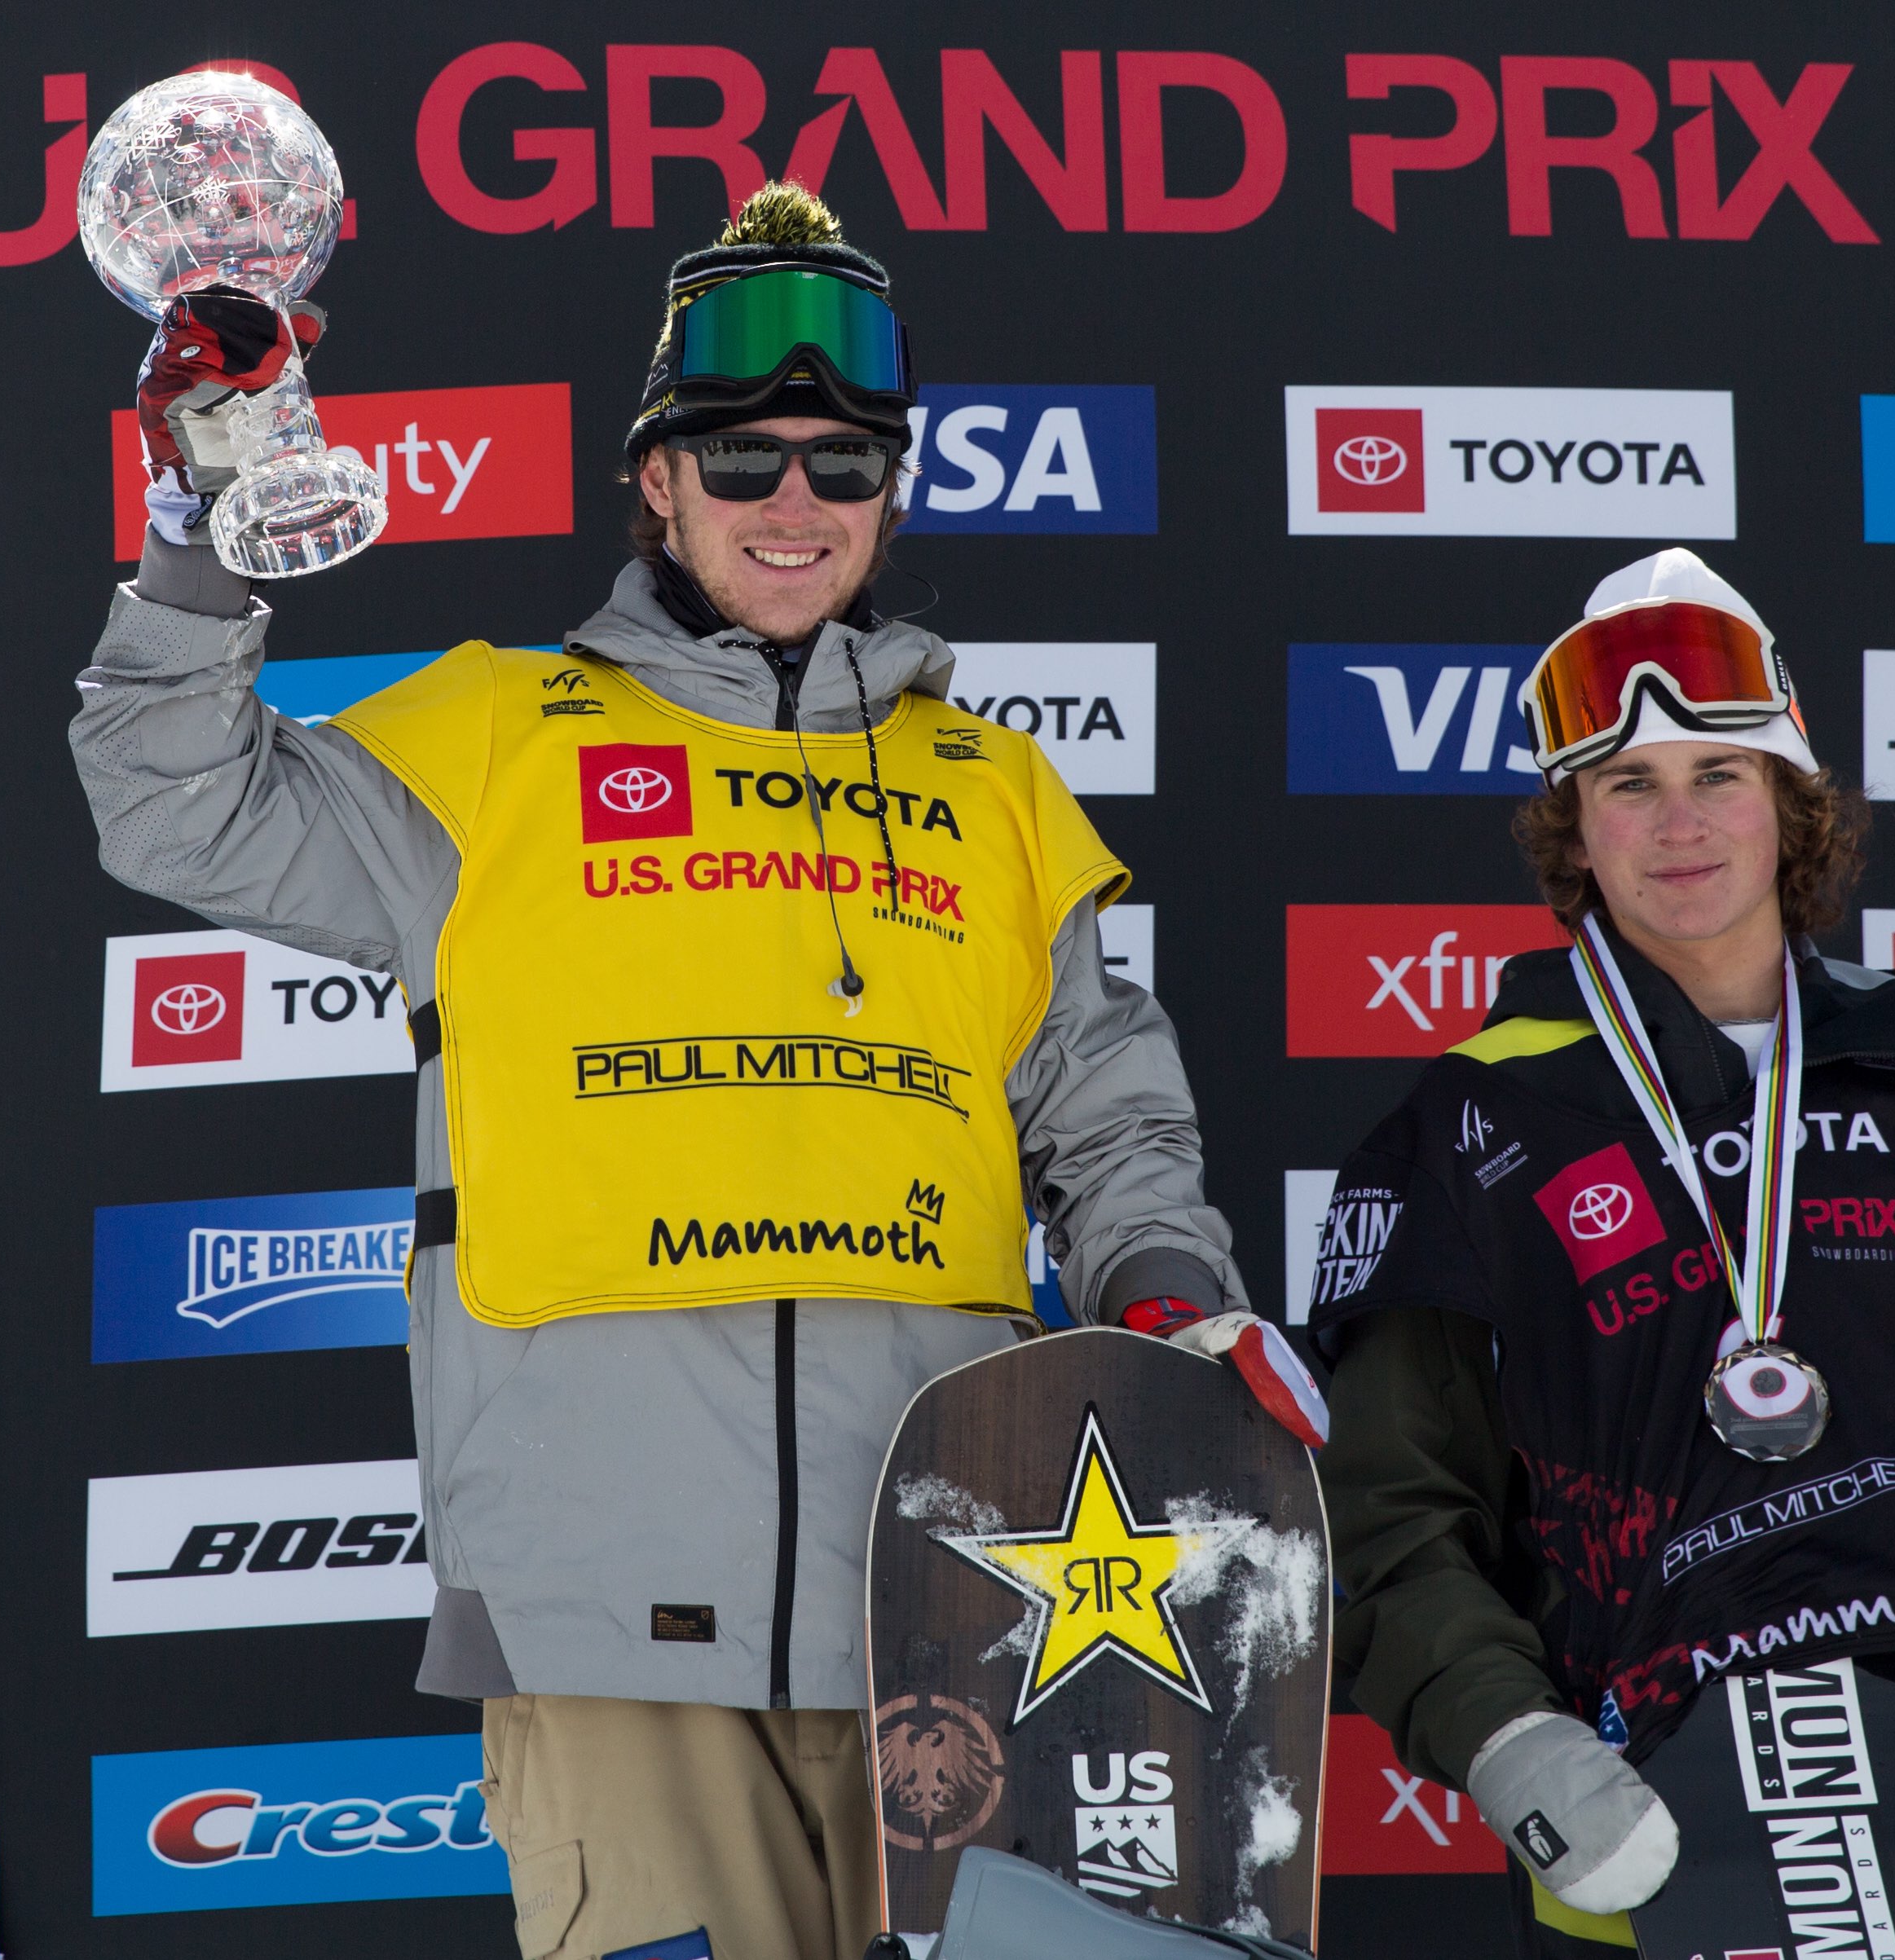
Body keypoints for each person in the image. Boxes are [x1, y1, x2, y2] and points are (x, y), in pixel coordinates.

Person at [70, 183, 1322, 1960]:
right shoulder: (494, 737)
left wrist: (1173, 1303)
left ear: (893, 489)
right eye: (740, 460)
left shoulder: (995, 791)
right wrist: (202, 514)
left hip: (953, 1608)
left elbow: (1107, 1112)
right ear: (655, 481)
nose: (793, 504)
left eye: (842, 462)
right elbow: (170, 805)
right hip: (603, 1617)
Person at [1308, 548, 1895, 1960]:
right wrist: (1509, 1739)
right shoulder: (1470, 1125)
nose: (1679, 823)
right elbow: (1394, 1513)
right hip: (1644, 1819)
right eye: (1629, 783)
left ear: (1791, 804)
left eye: (1718, 775)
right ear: (1574, 829)